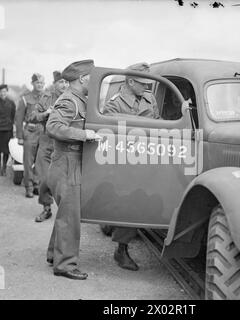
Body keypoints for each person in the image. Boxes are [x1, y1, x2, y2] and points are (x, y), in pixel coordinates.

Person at [46, 59, 100, 280]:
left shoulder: (80, 100)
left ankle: (53, 254)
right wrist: (84, 135)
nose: (94, 81)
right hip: (67, 162)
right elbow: (53, 126)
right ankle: (65, 265)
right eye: (92, 77)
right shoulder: (70, 101)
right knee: (70, 216)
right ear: (82, 79)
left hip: (70, 161)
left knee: (65, 213)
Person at [103, 62, 159, 271]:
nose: (147, 87)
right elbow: (109, 131)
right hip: (123, 162)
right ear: (130, 81)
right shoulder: (114, 103)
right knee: (130, 202)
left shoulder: (149, 99)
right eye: (143, 83)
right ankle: (121, 249)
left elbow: (159, 124)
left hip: (147, 159)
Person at [28, 71, 68, 223]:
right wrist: (46, 113)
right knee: (44, 179)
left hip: (64, 144)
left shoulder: (72, 99)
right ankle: (46, 209)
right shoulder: (46, 97)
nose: (64, 85)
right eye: (61, 82)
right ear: (55, 83)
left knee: (64, 181)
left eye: (66, 82)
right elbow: (32, 116)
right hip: (46, 143)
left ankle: (66, 212)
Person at [15, 73, 45, 198]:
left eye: (42, 83)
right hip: (30, 131)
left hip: (43, 132)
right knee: (28, 162)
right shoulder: (25, 98)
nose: (40, 85)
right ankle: (29, 186)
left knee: (40, 161)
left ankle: (37, 185)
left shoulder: (46, 97)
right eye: (38, 82)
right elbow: (18, 119)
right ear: (32, 83)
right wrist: (20, 137)